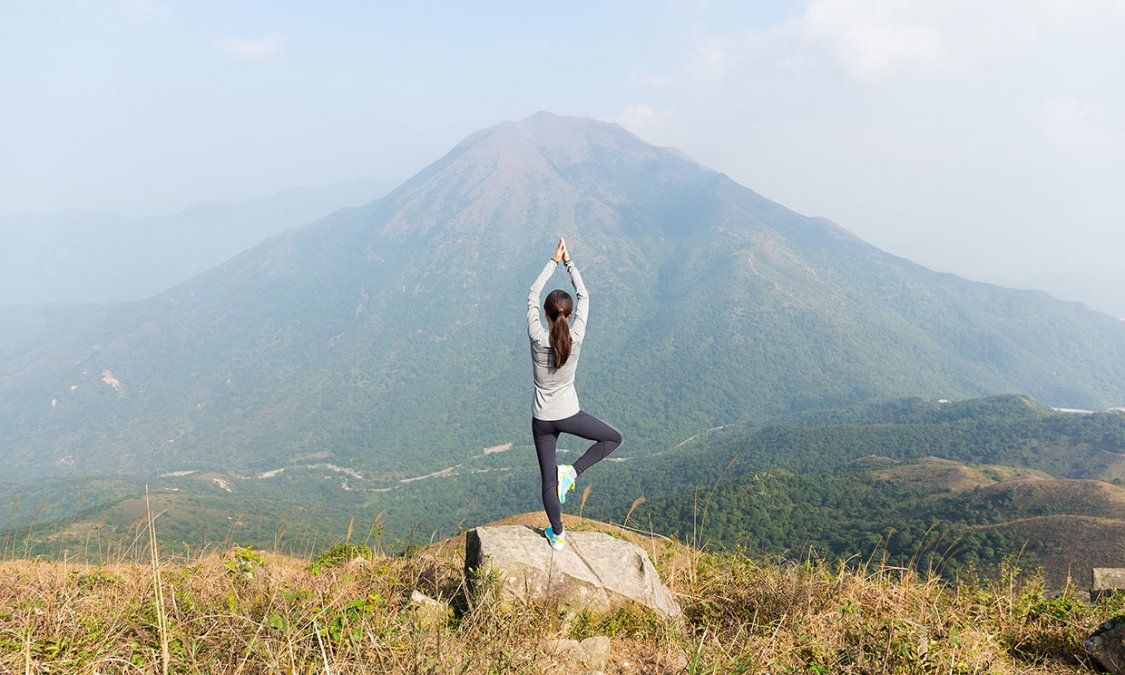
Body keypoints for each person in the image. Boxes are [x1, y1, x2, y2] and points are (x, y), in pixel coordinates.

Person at [527, 237, 624, 550]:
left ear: (545, 313)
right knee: (613, 438)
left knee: (546, 482)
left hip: (541, 419)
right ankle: (573, 472)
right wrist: (569, 263)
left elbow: (531, 293)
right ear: (568, 316)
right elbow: (584, 295)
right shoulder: (576, 337)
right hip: (569, 414)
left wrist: (552, 262)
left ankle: (558, 534)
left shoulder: (536, 336)